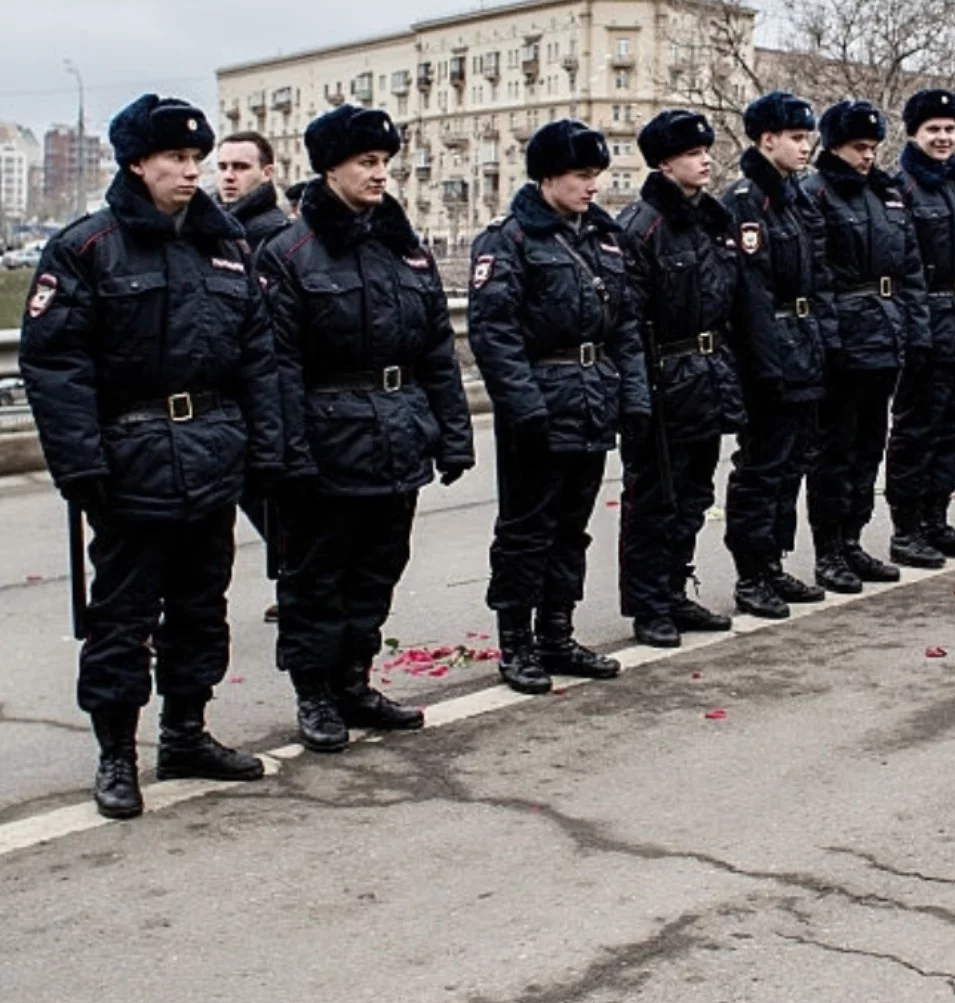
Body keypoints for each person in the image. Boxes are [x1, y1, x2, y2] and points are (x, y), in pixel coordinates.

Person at [19, 94, 284, 818]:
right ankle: (115, 754)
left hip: (213, 453)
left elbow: (257, 356)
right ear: (137, 163)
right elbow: (55, 365)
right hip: (130, 459)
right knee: (122, 617)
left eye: (197, 159)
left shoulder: (226, 245)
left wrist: (264, 449)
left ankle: (187, 733)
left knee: (201, 607)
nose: (191, 172)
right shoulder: (87, 247)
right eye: (175, 158)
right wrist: (80, 465)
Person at [256, 105, 475, 751]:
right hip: (326, 441)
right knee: (315, 577)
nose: (380, 175)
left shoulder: (402, 249)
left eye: (384, 163)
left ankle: (354, 681)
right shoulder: (289, 253)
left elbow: (437, 349)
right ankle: (314, 693)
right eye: (366, 164)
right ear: (330, 168)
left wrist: (452, 433)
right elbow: (278, 366)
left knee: (378, 569)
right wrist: (290, 454)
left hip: (397, 433)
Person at [469, 120, 642, 692]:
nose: (592, 186)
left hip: (593, 398)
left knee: (572, 527)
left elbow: (625, 326)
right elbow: (495, 335)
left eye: (597, 175)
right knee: (526, 529)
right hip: (542, 401)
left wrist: (632, 397)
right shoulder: (510, 239)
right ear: (547, 178)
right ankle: (516, 641)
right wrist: (525, 408)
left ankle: (557, 633)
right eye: (581, 175)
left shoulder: (602, 236)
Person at [614, 109, 745, 649]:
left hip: (708, 373)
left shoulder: (711, 220)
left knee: (693, 494)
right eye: (693, 154)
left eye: (706, 151)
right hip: (665, 374)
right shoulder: (641, 226)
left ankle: (673, 588)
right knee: (654, 497)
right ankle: (648, 605)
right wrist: (640, 396)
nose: (706, 160)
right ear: (664, 163)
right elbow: (627, 321)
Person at [802, 99, 929, 592]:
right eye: (859, 147)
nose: (868, 156)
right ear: (835, 146)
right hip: (846, 339)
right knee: (834, 450)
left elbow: (909, 269)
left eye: (874, 147)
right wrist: (831, 338)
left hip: (886, 333)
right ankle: (828, 548)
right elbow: (817, 276)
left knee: (868, 446)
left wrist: (915, 331)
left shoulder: (888, 195)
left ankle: (852, 539)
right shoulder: (816, 194)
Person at [721, 92, 835, 619]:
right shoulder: (747, 201)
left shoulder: (796, 197)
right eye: (795, 137)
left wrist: (822, 343)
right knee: (762, 468)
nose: (805, 146)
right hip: (772, 352)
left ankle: (773, 562)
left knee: (793, 463)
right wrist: (767, 365)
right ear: (767, 140)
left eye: (807, 136)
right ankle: (751, 572)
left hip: (804, 343)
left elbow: (818, 275)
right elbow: (753, 294)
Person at [885, 89, 955, 569]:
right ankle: (907, 527)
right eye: (933, 129)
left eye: (950, 129)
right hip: (924, 323)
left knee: (953, 426)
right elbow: (902, 266)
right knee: (917, 429)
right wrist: (915, 331)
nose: (944, 138)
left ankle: (936, 517)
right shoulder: (901, 189)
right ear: (914, 133)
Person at [214, 129, 292, 623]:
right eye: (221, 167)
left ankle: (299, 579)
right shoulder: (217, 229)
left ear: (266, 174)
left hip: (262, 392)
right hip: (229, 394)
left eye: (239, 168)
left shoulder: (269, 235)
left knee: (266, 497)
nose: (227, 177)